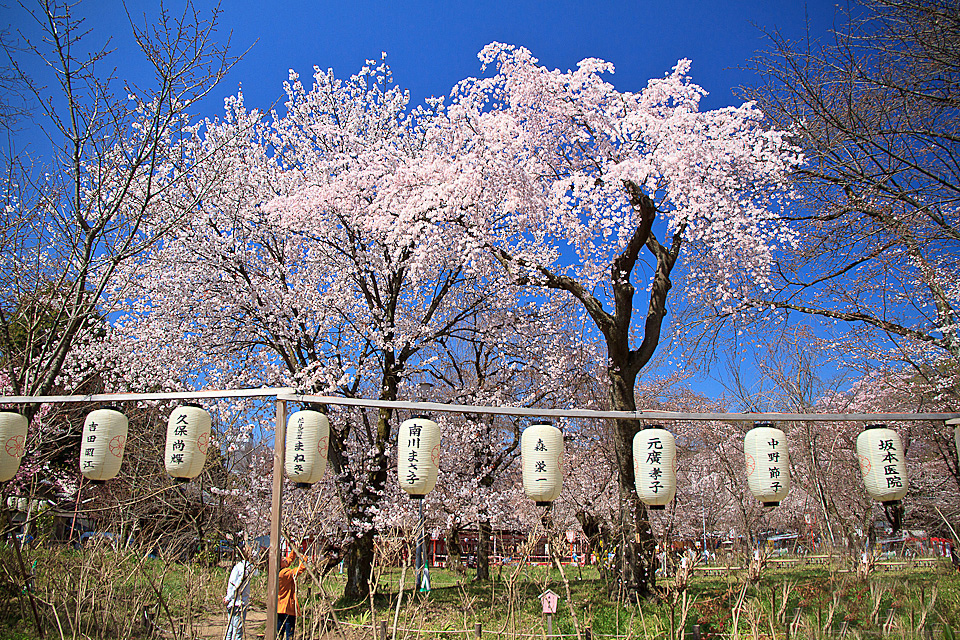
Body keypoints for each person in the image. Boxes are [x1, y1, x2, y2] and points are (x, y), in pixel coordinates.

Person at [224, 553, 259, 640]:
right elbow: (235, 585)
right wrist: (228, 598)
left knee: (231, 630)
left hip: (235, 602)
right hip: (237, 603)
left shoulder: (246, 567)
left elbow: (257, 573)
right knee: (236, 632)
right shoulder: (241, 568)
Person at [277, 551, 307, 640]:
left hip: (279, 607)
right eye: (282, 559)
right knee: (289, 633)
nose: (285, 559)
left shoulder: (277, 571)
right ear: (280, 564)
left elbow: (289, 560)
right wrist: (302, 556)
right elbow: (300, 569)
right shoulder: (284, 574)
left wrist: (295, 550)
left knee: (279, 631)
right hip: (287, 607)